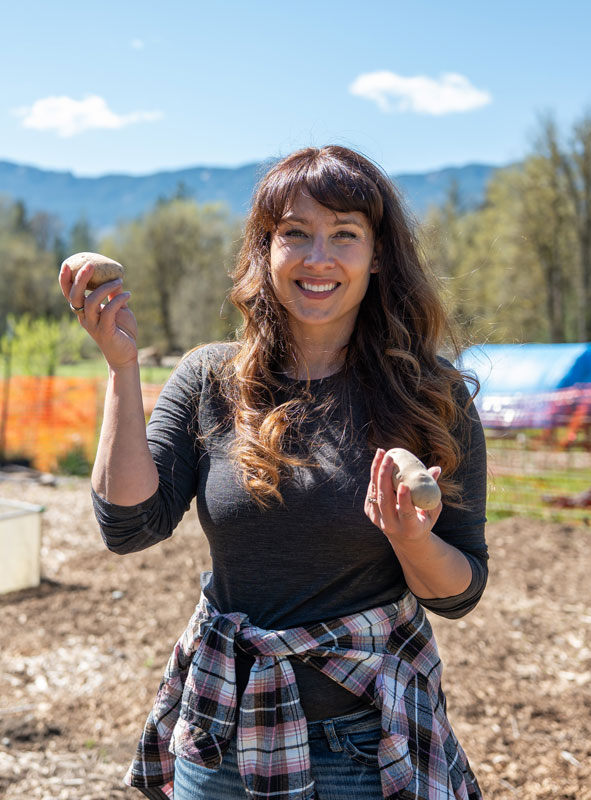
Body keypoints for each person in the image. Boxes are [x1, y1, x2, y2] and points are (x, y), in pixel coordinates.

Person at [58, 145, 487, 800]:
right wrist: (121, 367)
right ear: (266, 249)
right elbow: (129, 526)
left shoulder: (429, 397)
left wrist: (411, 539)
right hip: (221, 731)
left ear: (377, 255)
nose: (319, 258)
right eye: (296, 234)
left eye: (345, 235)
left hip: (362, 747)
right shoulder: (211, 379)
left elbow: (458, 592)